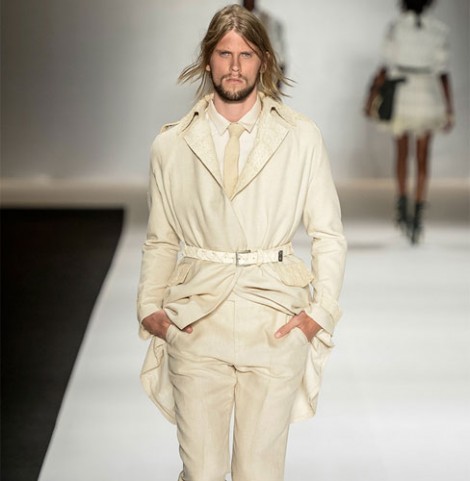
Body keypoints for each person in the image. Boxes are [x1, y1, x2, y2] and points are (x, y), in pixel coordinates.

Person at [137, 4, 346, 481]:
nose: (235, 66)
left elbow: (328, 234)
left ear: (264, 61)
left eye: (246, 54)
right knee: (202, 473)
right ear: (207, 59)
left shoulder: (300, 137)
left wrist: (319, 313)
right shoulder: (171, 145)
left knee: (259, 473)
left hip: (273, 320)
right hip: (197, 320)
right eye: (224, 54)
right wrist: (150, 307)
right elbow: (161, 238)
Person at [364, 0, 454, 244]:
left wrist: (371, 96)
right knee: (423, 156)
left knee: (402, 153)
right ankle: (418, 211)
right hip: (428, 93)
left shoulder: (396, 28)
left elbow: (385, 65)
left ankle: (403, 204)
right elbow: (443, 72)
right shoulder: (439, 30)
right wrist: (449, 109)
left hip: (402, 94)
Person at [242, 0, 287, 75]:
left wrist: (280, 65)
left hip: (262, 71)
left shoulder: (266, 20)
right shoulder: (232, 18)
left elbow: (275, 44)